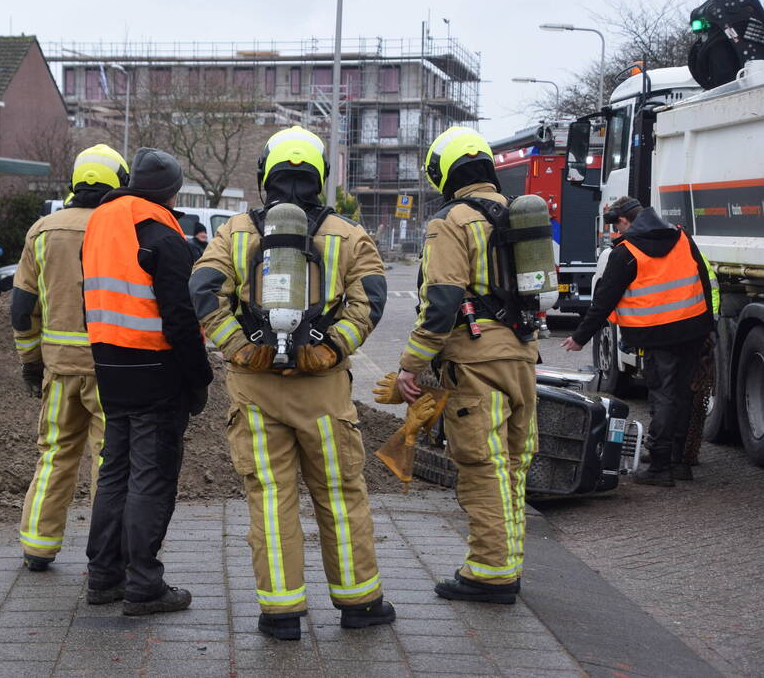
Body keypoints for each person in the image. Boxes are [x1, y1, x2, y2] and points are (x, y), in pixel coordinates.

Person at [190, 126, 393, 640]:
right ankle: (360, 605)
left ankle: (280, 613)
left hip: (254, 387)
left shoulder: (235, 232)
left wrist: (239, 345)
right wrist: (332, 345)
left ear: (265, 175)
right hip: (323, 389)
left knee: (270, 496)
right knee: (341, 493)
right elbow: (369, 300)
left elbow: (202, 289)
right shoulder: (348, 235)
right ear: (320, 176)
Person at [395, 126, 538, 605]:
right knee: (513, 464)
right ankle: (507, 562)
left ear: (443, 172)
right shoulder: (515, 214)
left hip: (477, 359)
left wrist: (411, 364)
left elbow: (440, 303)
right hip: (521, 353)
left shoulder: (452, 221)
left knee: (481, 464)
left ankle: (489, 574)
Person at [83, 147, 213, 616]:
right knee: (151, 479)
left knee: (114, 472)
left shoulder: (100, 224)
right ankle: (143, 584)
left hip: (108, 366)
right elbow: (181, 318)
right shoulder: (164, 235)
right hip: (156, 371)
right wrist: (199, 379)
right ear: (171, 192)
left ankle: (103, 577)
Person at [10, 144, 129, 572]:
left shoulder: (42, 231)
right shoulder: (120, 228)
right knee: (108, 461)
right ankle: (107, 555)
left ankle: (38, 546)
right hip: (111, 370)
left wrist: (30, 362)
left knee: (55, 454)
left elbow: (22, 308)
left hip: (59, 369)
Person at [563, 196, 718, 485]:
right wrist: (709, 326)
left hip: (657, 333)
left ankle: (660, 467)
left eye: (616, 225)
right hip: (693, 329)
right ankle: (679, 462)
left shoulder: (627, 253)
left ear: (624, 221)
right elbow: (703, 281)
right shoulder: (682, 237)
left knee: (663, 395)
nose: (616, 232)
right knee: (684, 394)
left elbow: (604, 300)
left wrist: (579, 337)